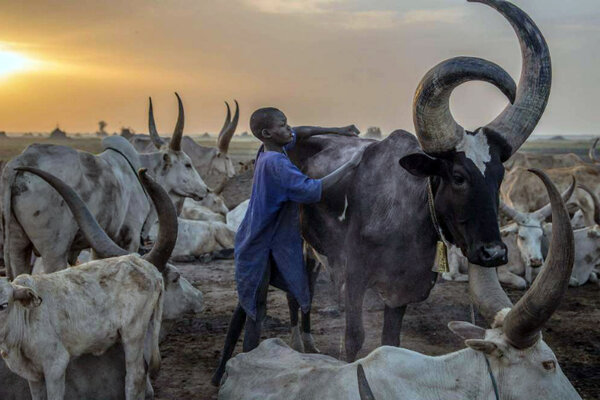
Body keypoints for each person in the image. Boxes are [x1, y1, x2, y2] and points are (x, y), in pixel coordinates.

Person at [211, 107, 363, 386]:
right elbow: (313, 189)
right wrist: (351, 167)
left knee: (244, 308)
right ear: (268, 133)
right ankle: (247, 378)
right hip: (260, 245)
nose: (289, 128)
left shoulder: (269, 150)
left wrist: (338, 130)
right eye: (283, 125)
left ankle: (221, 370)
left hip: (258, 238)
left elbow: (302, 132)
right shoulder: (277, 165)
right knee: (255, 312)